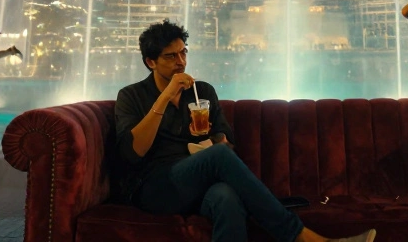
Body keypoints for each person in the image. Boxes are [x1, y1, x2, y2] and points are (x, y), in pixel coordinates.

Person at [115, 20, 375, 242]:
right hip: (155, 188)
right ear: (151, 62)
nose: (181, 62)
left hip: (200, 184)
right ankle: (300, 236)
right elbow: (133, 152)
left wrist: (215, 140)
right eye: (171, 57)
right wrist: (166, 96)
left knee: (226, 197)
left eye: (184, 53)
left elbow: (226, 145)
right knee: (216, 158)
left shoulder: (202, 92)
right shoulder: (131, 96)